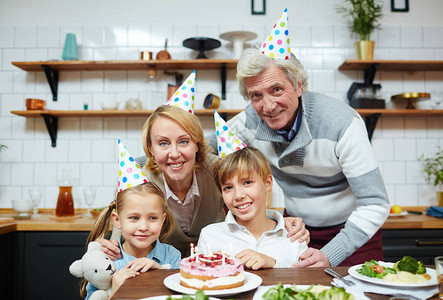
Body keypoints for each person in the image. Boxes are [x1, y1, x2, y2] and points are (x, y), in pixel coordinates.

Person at [223, 9, 390, 267]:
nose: (267, 106)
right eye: (256, 95)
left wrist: (331, 254)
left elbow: (375, 204)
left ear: (299, 85)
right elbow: (197, 148)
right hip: (295, 232)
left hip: (353, 238)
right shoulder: (249, 120)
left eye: (276, 89)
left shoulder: (343, 123)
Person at [100, 83, 310, 259]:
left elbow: (248, 194)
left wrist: (278, 222)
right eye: (163, 144)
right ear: (151, 150)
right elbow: (125, 222)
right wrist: (113, 243)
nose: (174, 154)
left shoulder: (219, 169)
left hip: (214, 265)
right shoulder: (138, 180)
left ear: (197, 145)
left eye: (183, 141)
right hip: (156, 265)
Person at [81, 140, 181, 299]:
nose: (143, 226)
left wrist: (160, 273)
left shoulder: (172, 256)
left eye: (153, 218)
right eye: (134, 218)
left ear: (162, 219)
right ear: (117, 220)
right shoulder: (104, 262)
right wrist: (116, 290)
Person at [198, 146, 308, 270]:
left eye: (247, 182)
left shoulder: (295, 235)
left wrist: (273, 265)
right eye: (228, 188)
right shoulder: (210, 236)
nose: (238, 195)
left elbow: (303, 284)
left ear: (267, 183)